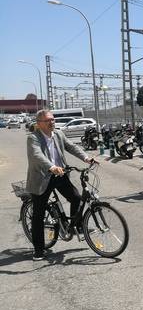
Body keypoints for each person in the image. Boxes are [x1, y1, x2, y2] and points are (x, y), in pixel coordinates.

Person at [26, 109, 97, 261]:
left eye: (52, 119)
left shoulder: (58, 134)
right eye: (48, 120)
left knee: (77, 197)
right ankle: (38, 250)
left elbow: (71, 146)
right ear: (39, 124)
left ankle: (76, 226)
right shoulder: (33, 138)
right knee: (38, 215)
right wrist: (51, 167)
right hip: (42, 177)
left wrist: (86, 157)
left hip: (60, 174)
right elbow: (37, 155)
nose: (52, 122)